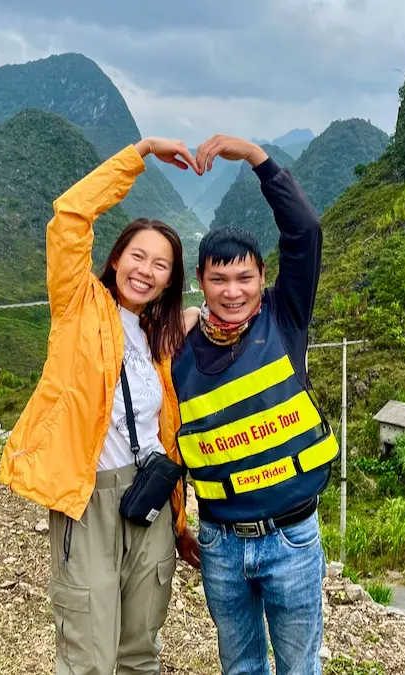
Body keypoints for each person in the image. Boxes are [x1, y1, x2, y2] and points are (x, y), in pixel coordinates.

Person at [0, 137, 201, 675]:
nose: (147, 270)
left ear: (170, 280)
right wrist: (140, 153)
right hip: (88, 496)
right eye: (138, 255)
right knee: (89, 652)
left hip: (152, 496)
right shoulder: (77, 303)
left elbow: (169, 428)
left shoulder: (163, 337)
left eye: (162, 264)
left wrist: (179, 522)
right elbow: (70, 214)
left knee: (139, 648)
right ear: (115, 258)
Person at [171, 135, 340, 675]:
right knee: (239, 667)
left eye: (244, 277)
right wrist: (179, 521)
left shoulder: (283, 318)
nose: (232, 290)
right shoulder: (179, 345)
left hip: (291, 536)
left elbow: (304, 232)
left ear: (262, 280)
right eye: (218, 278)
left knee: (298, 667)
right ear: (200, 282)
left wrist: (256, 160)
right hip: (219, 542)